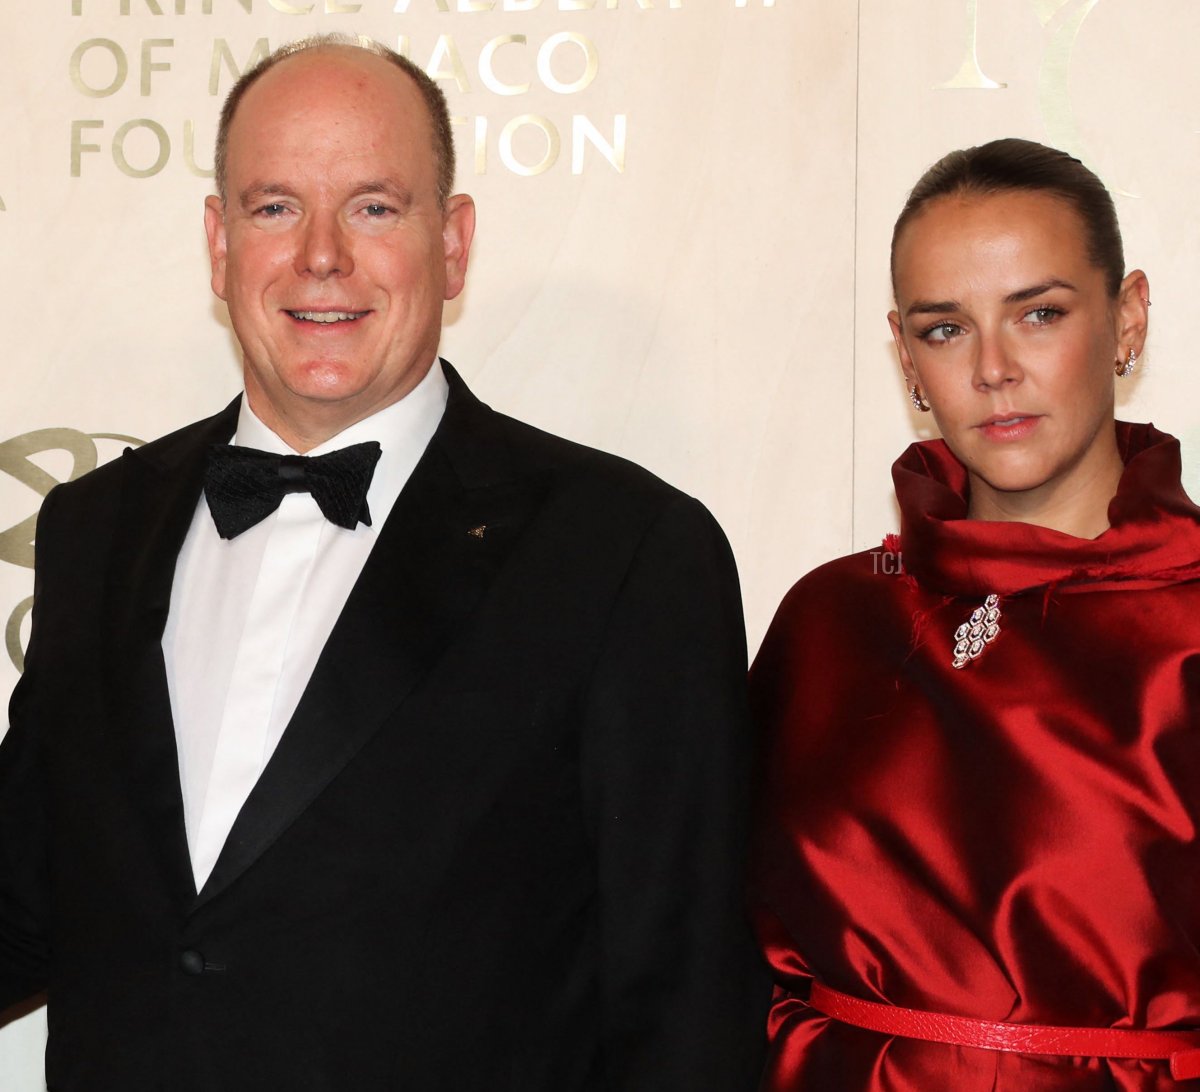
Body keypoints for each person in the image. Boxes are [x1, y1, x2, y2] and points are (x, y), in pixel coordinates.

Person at [0, 35, 768, 1091]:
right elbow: (29, 894)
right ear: (219, 244)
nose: (321, 255)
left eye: (372, 207)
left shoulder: (625, 552)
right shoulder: (95, 530)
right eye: (276, 207)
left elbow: (685, 1004)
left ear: (452, 244)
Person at [750, 137, 1200, 1089]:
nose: (994, 368)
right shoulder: (830, 621)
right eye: (946, 329)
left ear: (1127, 319)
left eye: (1039, 314)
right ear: (907, 355)